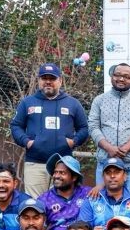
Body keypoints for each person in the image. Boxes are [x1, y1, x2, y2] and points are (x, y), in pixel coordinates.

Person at [10, 62, 89, 198]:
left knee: (61, 202)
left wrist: (73, 141)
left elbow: (84, 128)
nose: (48, 82)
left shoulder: (73, 103)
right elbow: (16, 126)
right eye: (44, 78)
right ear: (39, 80)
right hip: (35, 164)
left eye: (52, 78)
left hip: (63, 165)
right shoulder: (27, 102)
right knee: (35, 203)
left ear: (60, 81)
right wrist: (27, 142)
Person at [88, 62, 130, 191]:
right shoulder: (99, 100)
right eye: (117, 75)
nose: (121, 79)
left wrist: (126, 148)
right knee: (103, 199)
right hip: (105, 162)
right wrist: (108, 148)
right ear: (111, 76)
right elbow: (93, 126)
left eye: (126, 76)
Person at [37, 153, 90, 230]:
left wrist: (99, 187)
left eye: (62, 173)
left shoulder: (87, 193)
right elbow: (37, 228)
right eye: (55, 172)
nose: (56, 176)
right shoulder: (43, 199)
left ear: (74, 177)